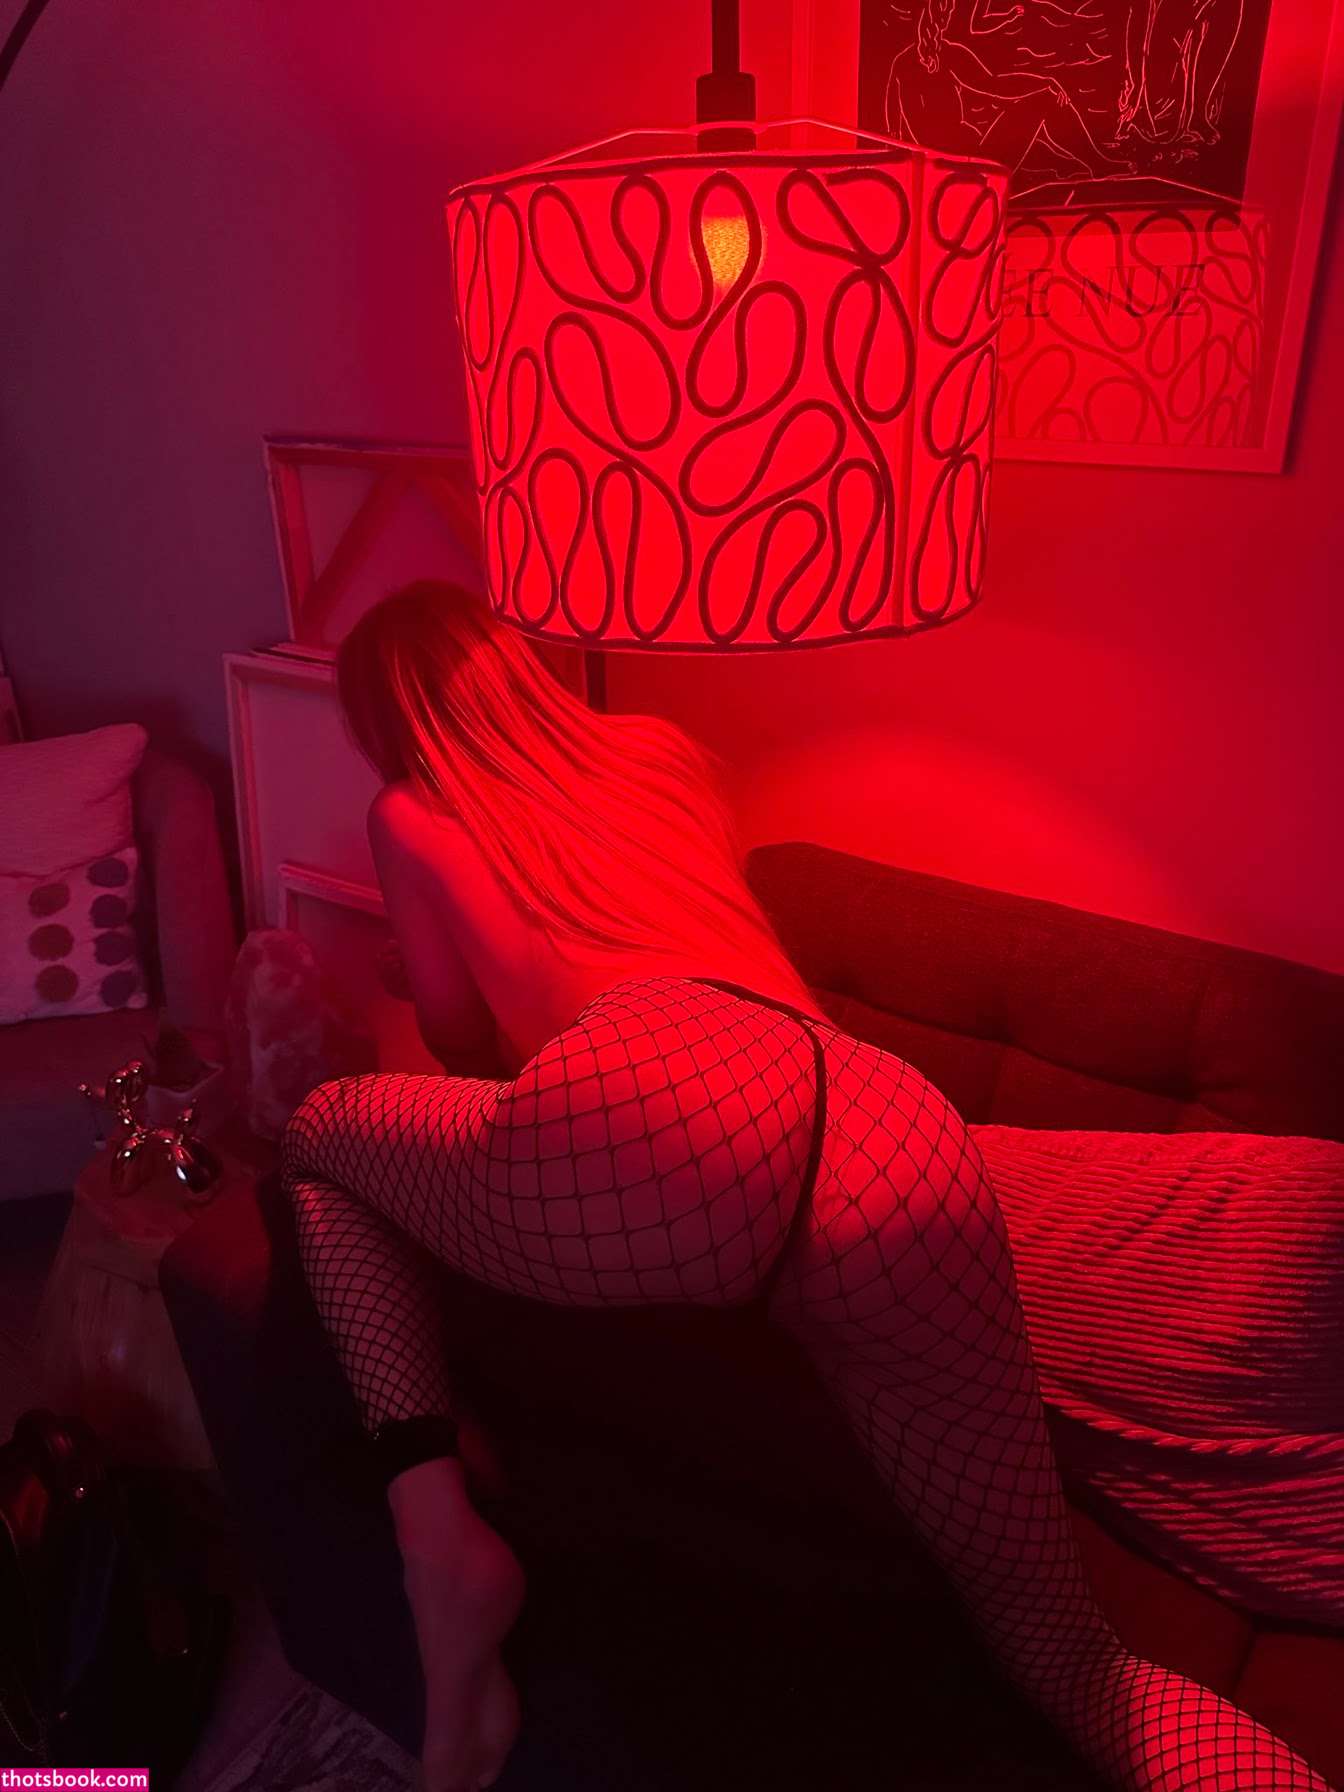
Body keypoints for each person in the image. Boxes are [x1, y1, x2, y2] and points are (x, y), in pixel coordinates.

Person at [282, 580, 1332, 1792]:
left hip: (655, 1079)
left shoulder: (414, 810)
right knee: (1074, 1657)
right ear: (517, 666)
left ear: (388, 719)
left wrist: (422, 971)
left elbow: (469, 1042)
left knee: (318, 1137)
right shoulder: (659, 753)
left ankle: (438, 1543)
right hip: (889, 1117)